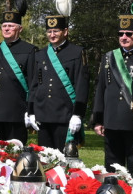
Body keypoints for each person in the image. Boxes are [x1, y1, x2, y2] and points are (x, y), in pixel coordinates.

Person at [92, 14, 133, 174]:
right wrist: (98, 120)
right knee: (112, 168)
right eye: (120, 33)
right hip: (112, 121)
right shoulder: (109, 57)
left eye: (129, 34)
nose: (124, 37)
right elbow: (101, 89)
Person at [27, 15, 89, 151]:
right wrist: (30, 111)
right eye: (49, 31)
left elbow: (81, 85)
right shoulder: (41, 54)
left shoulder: (77, 52)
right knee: (44, 158)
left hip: (65, 114)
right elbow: (35, 85)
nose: (52, 35)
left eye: (56, 31)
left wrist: (78, 114)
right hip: (43, 113)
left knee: (64, 160)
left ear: (65, 32)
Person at [0, 11, 37, 142]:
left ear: (20, 29)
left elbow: (33, 84)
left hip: (17, 113)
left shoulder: (30, 50)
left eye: (11, 26)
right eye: (4, 26)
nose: (6, 29)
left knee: (15, 155)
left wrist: (31, 111)